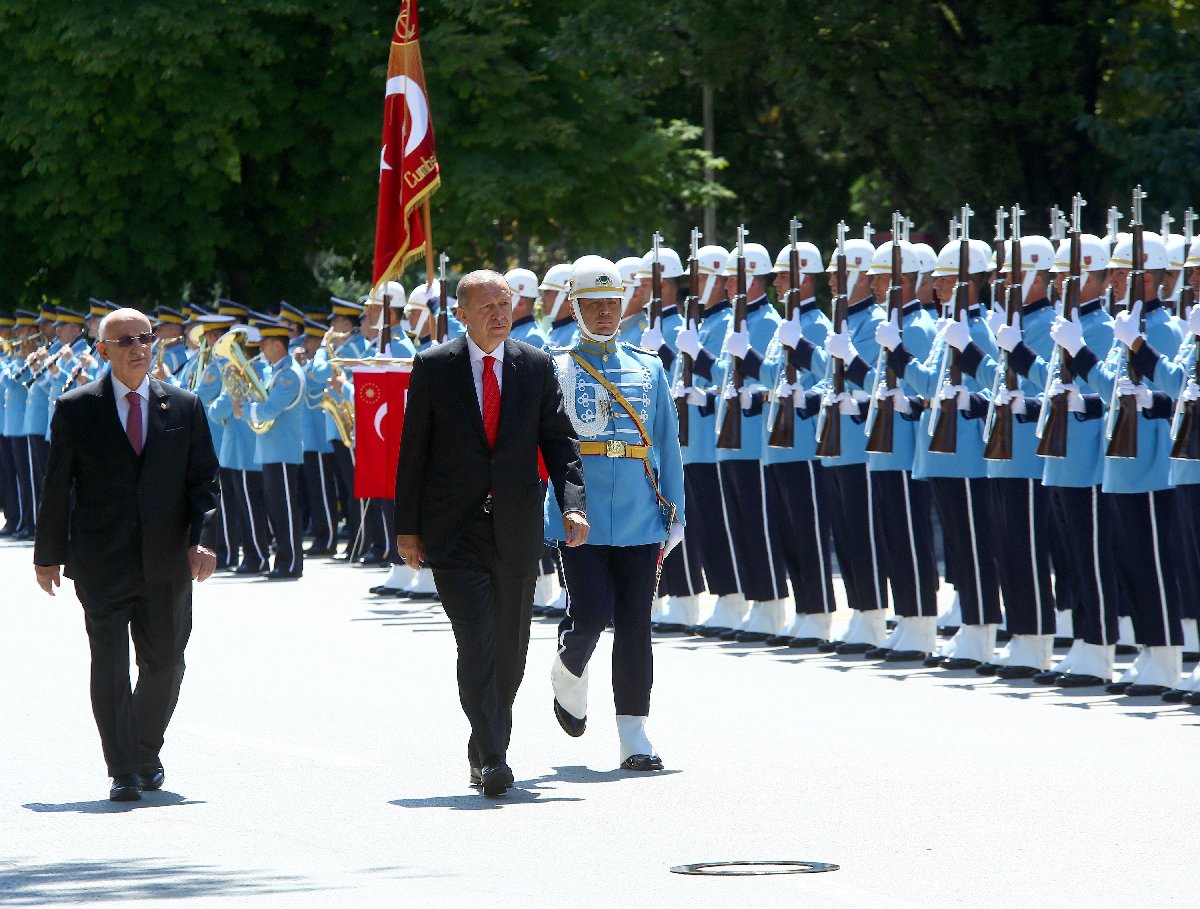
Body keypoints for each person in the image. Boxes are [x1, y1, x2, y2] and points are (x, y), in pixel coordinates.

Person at [394, 269, 587, 797]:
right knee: (476, 641)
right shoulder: (435, 367)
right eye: (487, 306)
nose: (500, 314)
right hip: (454, 532)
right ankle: (495, 753)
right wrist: (406, 528)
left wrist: (572, 507)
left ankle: (484, 741)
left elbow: (561, 444)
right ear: (462, 313)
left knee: (511, 649)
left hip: (517, 528)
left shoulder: (534, 366)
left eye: (506, 304)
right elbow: (413, 451)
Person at [32, 307, 219, 802]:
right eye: (126, 341)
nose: (139, 348)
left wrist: (202, 540)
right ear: (104, 351)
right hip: (101, 560)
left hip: (165, 561)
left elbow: (205, 483)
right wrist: (47, 553)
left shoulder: (184, 406)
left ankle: (141, 747)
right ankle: (124, 769)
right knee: (110, 666)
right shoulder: (77, 408)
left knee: (166, 664)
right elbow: (57, 487)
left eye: (146, 338)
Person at [545, 255, 684, 771]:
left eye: (612, 304)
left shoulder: (647, 366)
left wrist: (677, 511)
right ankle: (569, 665)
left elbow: (666, 444)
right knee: (590, 614)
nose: (605, 313)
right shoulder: (554, 365)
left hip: (640, 511)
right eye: (593, 305)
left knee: (634, 622)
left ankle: (634, 733)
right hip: (577, 512)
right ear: (575, 307)